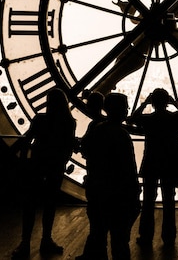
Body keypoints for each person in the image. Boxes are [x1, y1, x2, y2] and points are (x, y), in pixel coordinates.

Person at [12, 88, 77, 259]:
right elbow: (68, 146)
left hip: (37, 166)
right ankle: (46, 240)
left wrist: (24, 161)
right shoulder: (69, 122)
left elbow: (28, 139)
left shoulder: (40, 119)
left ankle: (25, 242)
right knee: (49, 206)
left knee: (30, 205)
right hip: (55, 168)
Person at [77, 92, 141, 260]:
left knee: (98, 233)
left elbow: (87, 152)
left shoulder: (97, 130)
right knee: (119, 242)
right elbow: (128, 169)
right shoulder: (121, 135)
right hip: (119, 195)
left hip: (99, 190)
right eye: (125, 107)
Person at [127, 88, 178, 247]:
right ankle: (169, 238)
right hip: (170, 165)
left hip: (151, 163)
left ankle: (146, 236)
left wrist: (144, 103)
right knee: (169, 202)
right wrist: (175, 104)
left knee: (148, 202)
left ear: (153, 102)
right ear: (167, 101)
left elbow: (132, 119)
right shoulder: (174, 118)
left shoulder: (149, 120)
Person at [76, 91, 108, 260]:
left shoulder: (95, 126)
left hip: (95, 177)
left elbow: (87, 148)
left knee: (95, 218)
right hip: (103, 178)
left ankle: (93, 253)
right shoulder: (105, 125)